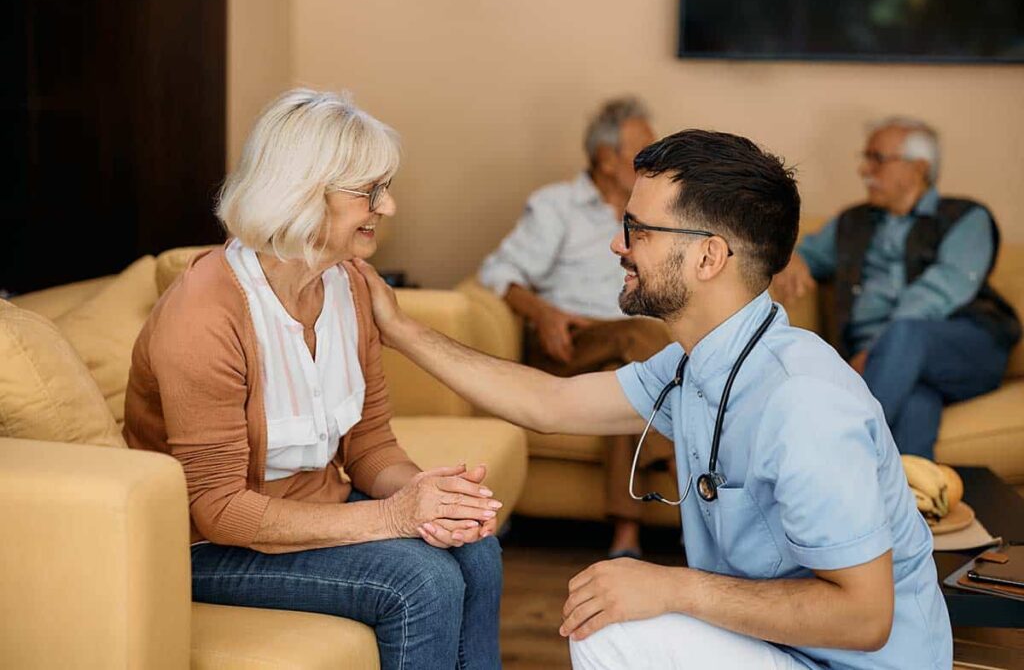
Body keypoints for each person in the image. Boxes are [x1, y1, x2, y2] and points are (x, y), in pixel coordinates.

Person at [354, 129, 952, 668]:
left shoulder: (804, 402)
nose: (619, 247)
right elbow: (550, 404)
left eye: (637, 230)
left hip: (848, 664)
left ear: (708, 256)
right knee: (608, 616)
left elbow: (865, 617)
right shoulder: (700, 363)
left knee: (609, 632)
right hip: (782, 648)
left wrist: (673, 588)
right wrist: (402, 330)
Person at [123, 89, 504, 670]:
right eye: (371, 192)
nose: (389, 206)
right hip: (209, 546)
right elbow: (220, 511)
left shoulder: (349, 284)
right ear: (303, 193)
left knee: (478, 548)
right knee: (420, 582)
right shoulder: (203, 317)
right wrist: (397, 516)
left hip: (310, 512)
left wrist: (434, 497)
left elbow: (370, 445)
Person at [478, 97, 671, 558]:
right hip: (566, 343)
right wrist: (542, 313)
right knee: (641, 342)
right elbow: (497, 272)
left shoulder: (654, 210)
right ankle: (683, 457)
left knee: (625, 385)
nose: (655, 160)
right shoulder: (557, 205)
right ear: (606, 159)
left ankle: (626, 534)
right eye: (643, 150)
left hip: (622, 352)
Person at [774, 117, 1020, 458]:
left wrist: (878, 350)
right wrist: (792, 258)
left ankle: (834, 452)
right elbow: (802, 255)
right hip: (893, 366)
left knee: (907, 334)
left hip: (963, 346)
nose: (864, 169)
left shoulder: (966, 217)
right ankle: (913, 504)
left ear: (918, 168)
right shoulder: (852, 222)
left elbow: (941, 289)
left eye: (876, 158)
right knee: (917, 402)